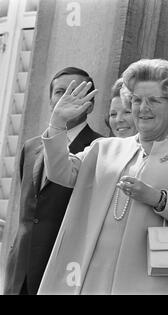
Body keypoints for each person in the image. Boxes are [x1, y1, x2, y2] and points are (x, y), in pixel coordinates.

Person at [37, 59, 168, 294]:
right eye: (137, 100)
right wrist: (58, 123)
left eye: (154, 100)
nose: (143, 108)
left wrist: (158, 198)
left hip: (147, 282)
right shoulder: (103, 148)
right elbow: (59, 172)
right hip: (86, 277)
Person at [3, 67, 103, 295]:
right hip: (20, 268)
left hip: (65, 269)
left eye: (76, 91)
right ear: (50, 100)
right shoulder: (31, 147)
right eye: (59, 91)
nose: (66, 97)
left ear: (92, 103)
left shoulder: (101, 148)